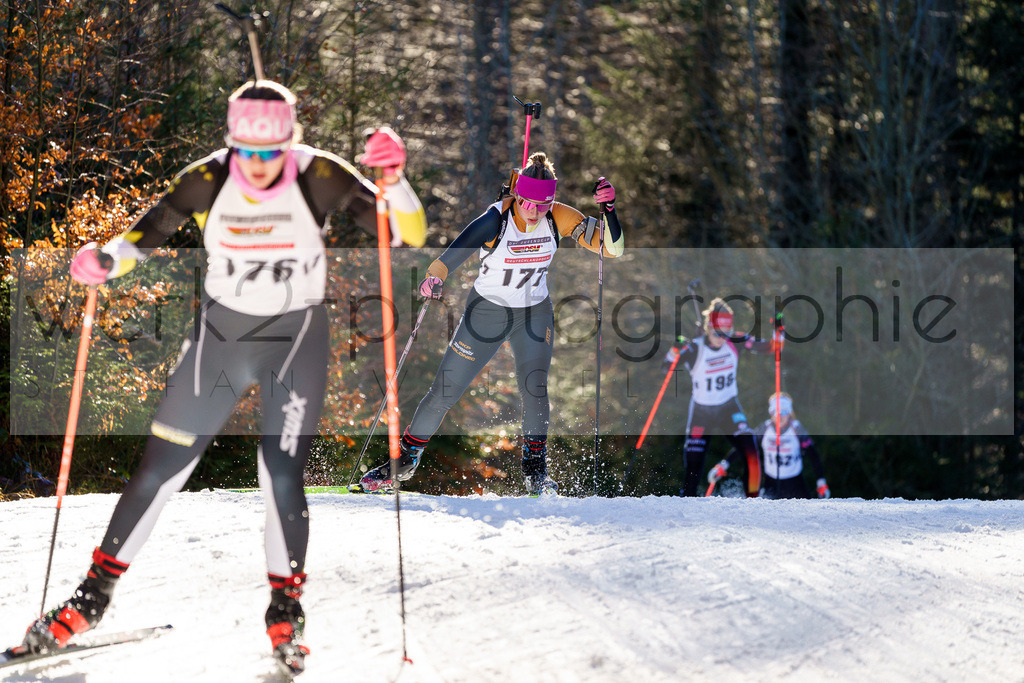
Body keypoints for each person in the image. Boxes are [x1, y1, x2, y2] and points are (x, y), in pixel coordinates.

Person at [20, 79, 426, 675]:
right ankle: (91, 598)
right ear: (231, 143)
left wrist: (395, 179)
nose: (259, 166)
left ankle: (286, 611)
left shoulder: (319, 174)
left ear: (291, 141)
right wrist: (105, 258)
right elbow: (147, 233)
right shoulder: (207, 178)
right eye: (247, 152)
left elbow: (404, 234)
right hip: (221, 339)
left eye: (271, 153)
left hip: (295, 341)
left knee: (280, 472)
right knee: (162, 466)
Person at [358, 152, 624, 496]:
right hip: (487, 313)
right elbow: (455, 251)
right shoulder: (496, 219)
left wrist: (610, 212)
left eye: (543, 204)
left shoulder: (558, 216)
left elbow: (611, 249)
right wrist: (435, 277)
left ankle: (535, 472)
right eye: (527, 202)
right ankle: (404, 461)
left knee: (535, 388)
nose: (534, 211)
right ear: (517, 195)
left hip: (533, 313)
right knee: (444, 391)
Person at [662, 299, 783, 497]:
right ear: (709, 328)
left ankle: (753, 500)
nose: (721, 338)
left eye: (725, 333)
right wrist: (675, 349)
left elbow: (773, 347)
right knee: (693, 463)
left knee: (750, 449)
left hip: (728, 408)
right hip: (702, 411)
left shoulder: (736, 341)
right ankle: (687, 502)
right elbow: (666, 367)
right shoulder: (695, 348)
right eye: (717, 333)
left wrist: (779, 331)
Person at [755, 392, 830, 499]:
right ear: (771, 413)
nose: (779, 416)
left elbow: (813, 454)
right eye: (775, 412)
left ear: (790, 412)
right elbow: (746, 446)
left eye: (783, 412)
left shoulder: (796, 428)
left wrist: (821, 481)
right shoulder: (764, 428)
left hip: (795, 483)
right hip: (770, 482)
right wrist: (725, 464)